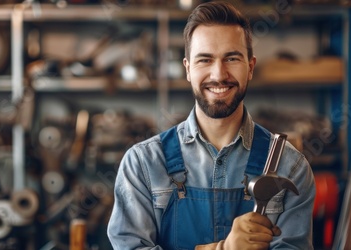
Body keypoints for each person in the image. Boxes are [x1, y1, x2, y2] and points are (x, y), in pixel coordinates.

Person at [107, 1, 316, 249]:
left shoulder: (290, 168)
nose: (218, 74)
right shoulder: (143, 164)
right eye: (205, 60)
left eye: (232, 58)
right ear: (188, 69)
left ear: (250, 67)